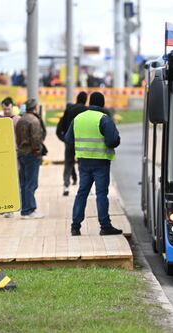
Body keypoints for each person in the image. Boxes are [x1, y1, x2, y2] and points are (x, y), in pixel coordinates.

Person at [64, 92, 122, 236]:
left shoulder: (78, 118)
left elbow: (68, 139)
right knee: (101, 194)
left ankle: (75, 226)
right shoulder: (103, 119)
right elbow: (112, 140)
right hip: (101, 161)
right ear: (102, 103)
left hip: (83, 161)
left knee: (82, 192)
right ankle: (105, 226)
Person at [15, 99, 45, 219]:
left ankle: (24, 210)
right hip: (31, 155)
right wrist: (38, 152)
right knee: (31, 183)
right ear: (34, 108)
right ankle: (30, 210)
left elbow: (17, 138)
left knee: (24, 183)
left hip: (21, 153)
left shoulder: (21, 120)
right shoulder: (34, 120)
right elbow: (36, 139)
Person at [56, 91, 88, 196]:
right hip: (82, 143)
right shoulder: (86, 111)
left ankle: (66, 186)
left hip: (69, 141)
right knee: (83, 165)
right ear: (85, 100)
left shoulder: (69, 110)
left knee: (68, 163)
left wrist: (64, 139)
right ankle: (85, 188)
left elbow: (60, 126)